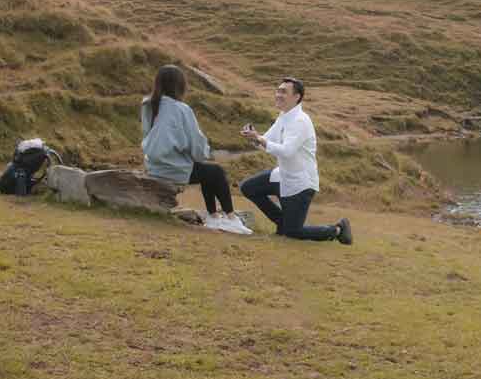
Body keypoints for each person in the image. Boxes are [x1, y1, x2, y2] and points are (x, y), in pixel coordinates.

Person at [239, 77, 352, 245]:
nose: (278, 94)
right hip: (283, 176)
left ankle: (338, 230)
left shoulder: (300, 120)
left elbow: (287, 151)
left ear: (297, 97)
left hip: (301, 184)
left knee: (293, 232)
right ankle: (282, 222)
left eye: (283, 92)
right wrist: (254, 138)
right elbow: (267, 142)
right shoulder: (284, 116)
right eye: (277, 90)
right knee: (248, 187)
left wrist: (260, 140)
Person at [141, 64, 249, 233]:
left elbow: (149, 134)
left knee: (208, 174)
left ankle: (213, 217)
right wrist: (204, 154)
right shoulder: (182, 109)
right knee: (216, 172)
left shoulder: (148, 105)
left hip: (153, 166)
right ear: (180, 85)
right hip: (173, 168)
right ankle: (231, 218)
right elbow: (196, 144)